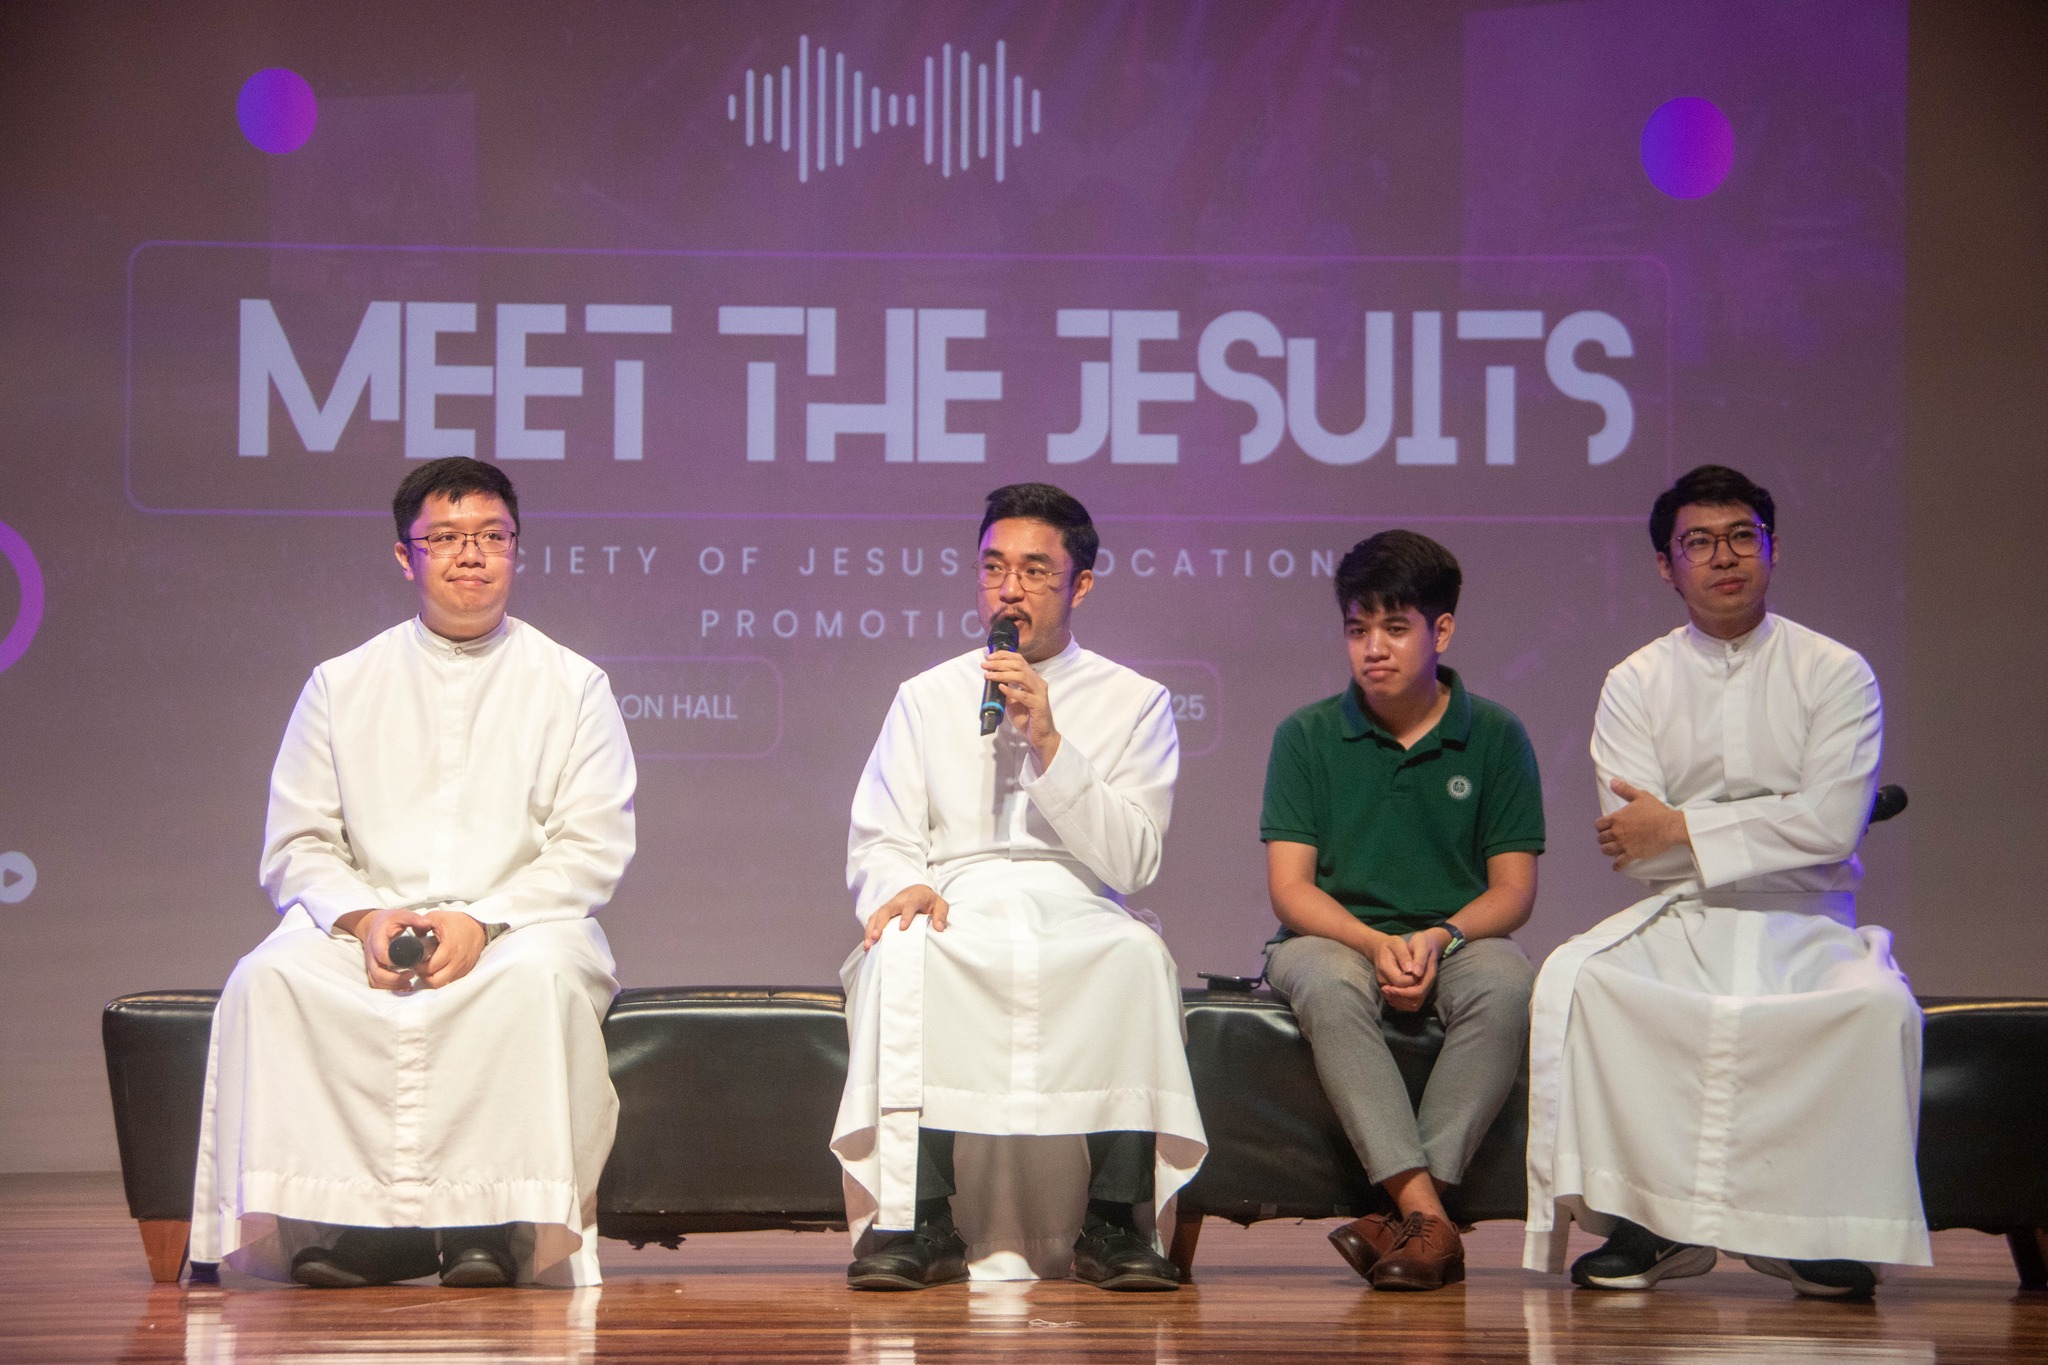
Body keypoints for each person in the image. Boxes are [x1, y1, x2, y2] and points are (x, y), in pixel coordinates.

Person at [190, 457, 637, 1289]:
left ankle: (494, 1225)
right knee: (271, 978)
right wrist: (364, 918)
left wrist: (485, 919)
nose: (471, 555)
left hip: (521, 925)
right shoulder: (341, 683)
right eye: (446, 538)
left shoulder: (574, 685)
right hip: (368, 922)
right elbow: (299, 842)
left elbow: (591, 846)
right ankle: (362, 1226)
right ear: (406, 556)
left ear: (516, 548)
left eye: (491, 537)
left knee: (529, 983)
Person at [1524, 464, 1928, 1300]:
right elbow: (1639, 853)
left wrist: (1682, 823)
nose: (1725, 556)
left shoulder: (1836, 671)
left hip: (1807, 920)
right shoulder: (1635, 681)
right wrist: (1738, 829)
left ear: (1772, 551)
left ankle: (1816, 1233)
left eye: (1744, 536)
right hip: (1683, 914)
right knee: (1591, 985)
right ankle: (1653, 1225)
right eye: (1698, 543)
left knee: (1878, 1006)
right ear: (1666, 566)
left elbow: (1830, 830)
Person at [832, 483, 1206, 1292]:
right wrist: (903, 886)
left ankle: (1115, 1223)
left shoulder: (1135, 701)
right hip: (954, 898)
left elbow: (1134, 858)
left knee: (1136, 956)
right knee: (901, 954)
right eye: (994, 567)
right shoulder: (926, 696)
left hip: (1074, 899)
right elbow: (883, 830)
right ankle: (918, 1218)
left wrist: (1049, 742)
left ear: (1081, 584)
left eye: (1035, 571)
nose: (1009, 588)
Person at [1260, 530, 1544, 1291]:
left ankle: (1403, 1222)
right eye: (1357, 629)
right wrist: (1373, 940)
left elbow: (1513, 890)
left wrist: (1440, 934)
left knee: (1508, 982)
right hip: (1331, 933)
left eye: (1394, 627)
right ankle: (1427, 1213)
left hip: (1452, 936)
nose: (1372, 648)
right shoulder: (1308, 734)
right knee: (1326, 981)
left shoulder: (1495, 734)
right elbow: (1291, 887)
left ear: (1440, 629)